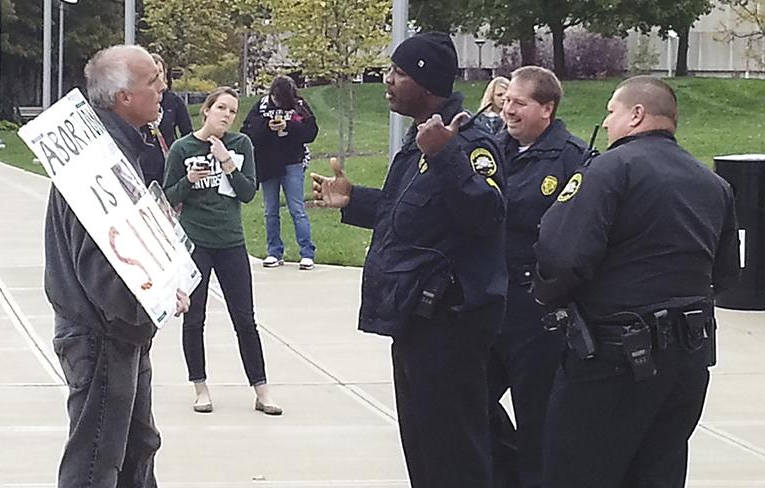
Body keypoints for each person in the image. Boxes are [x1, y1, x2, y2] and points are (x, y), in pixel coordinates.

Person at [311, 32, 508, 488]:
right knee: (424, 448)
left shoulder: (467, 141)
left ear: (425, 81)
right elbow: (409, 213)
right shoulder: (422, 140)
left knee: (454, 453)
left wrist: (445, 156)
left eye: (399, 73)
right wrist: (352, 200)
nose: (389, 80)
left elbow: (488, 214)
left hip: (451, 325)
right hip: (416, 322)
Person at [531, 76, 740, 488]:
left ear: (637, 114)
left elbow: (562, 256)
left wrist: (543, 294)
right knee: (658, 471)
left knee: (575, 471)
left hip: (615, 358)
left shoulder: (611, 169)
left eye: (612, 111)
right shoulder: (711, 183)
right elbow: (726, 274)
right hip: (687, 360)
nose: (607, 123)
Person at [45, 44, 190, 487]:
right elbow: (100, 267)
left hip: (121, 331)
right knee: (95, 462)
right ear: (124, 97)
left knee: (138, 446)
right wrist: (156, 300)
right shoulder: (95, 163)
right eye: (151, 82)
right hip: (102, 332)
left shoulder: (120, 149)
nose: (162, 88)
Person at [487, 66, 589, 488]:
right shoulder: (491, 148)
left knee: (537, 419)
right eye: (506, 100)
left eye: (519, 103)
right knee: (464, 400)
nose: (507, 110)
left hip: (537, 311)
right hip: (489, 301)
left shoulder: (573, 158)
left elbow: (576, 238)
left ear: (546, 109)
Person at [163, 86, 282, 416]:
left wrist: (227, 162)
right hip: (195, 243)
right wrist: (188, 179)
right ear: (206, 111)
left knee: (245, 319)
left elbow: (247, 193)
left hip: (231, 241)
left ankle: (262, 390)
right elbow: (168, 194)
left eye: (232, 111)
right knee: (194, 318)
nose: (227, 116)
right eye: (221, 109)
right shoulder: (182, 147)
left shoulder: (241, 145)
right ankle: (200, 388)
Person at [241, 75, 318, 270]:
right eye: (277, 99)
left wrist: (289, 126)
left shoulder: (299, 105)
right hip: (268, 164)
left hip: (293, 162)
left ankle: (307, 252)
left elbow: (311, 132)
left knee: (297, 209)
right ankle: (274, 251)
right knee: (270, 210)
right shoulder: (262, 106)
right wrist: (266, 127)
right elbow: (247, 131)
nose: (279, 104)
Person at [140, 53, 193, 186]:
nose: (158, 76)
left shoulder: (174, 101)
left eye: (160, 72)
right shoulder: (138, 101)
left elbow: (187, 132)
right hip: (144, 164)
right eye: (153, 73)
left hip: (169, 163)